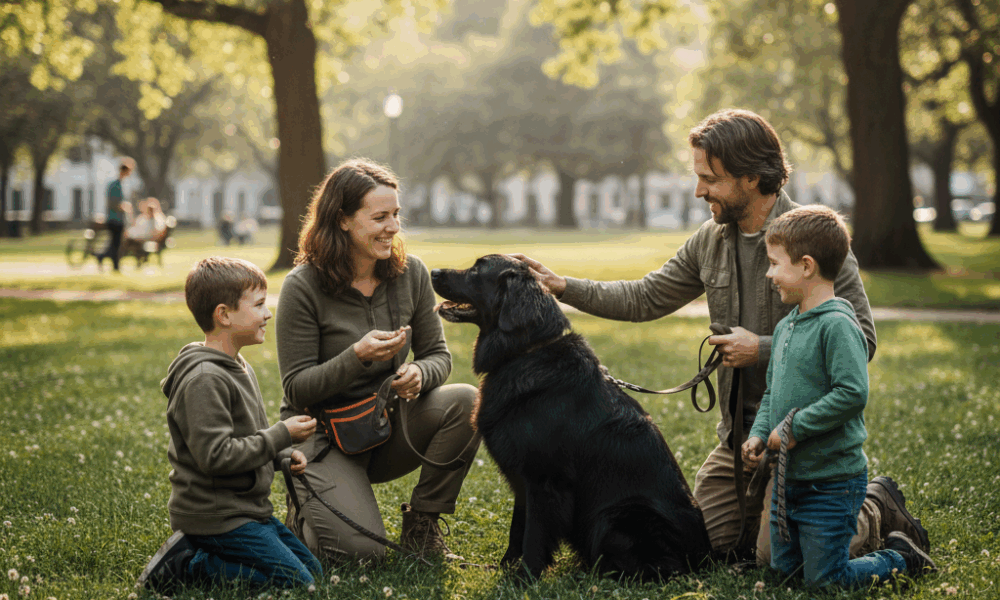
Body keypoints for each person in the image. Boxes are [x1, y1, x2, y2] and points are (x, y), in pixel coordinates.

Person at [512, 109, 929, 566]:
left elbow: (862, 339)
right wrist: (564, 287)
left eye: (710, 179)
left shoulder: (815, 238)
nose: (698, 191)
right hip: (739, 442)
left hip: (800, 443)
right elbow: (645, 296)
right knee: (700, 546)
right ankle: (766, 512)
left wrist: (762, 349)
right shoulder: (709, 239)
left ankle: (874, 508)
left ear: (751, 177)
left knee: (781, 559)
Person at [276, 158, 480, 564]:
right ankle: (303, 513)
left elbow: (438, 356)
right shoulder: (303, 286)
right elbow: (297, 389)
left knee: (467, 401)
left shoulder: (411, 273)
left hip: (386, 425)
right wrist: (356, 357)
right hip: (323, 438)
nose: (393, 227)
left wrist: (419, 372)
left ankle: (423, 525)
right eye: (380, 217)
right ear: (343, 219)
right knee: (362, 554)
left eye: (396, 215)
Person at [742, 205, 935, 588]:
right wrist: (759, 434)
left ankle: (900, 557)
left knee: (826, 580)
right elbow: (772, 392)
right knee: (785, 573)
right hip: (787, 481)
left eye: (775, 263)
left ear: (806, 266)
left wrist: (794, 428)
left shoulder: (838, 325)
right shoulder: (786, 328)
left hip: (830, 482)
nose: (769, 274)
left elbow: (852, 393)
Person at [138, 257, 323, 593]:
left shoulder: (238, 366)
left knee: (314, 572)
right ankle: (189, 565)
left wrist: (281, 457)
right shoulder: (205, 379)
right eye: (259, 305)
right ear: (223, 315)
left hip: (248, 510)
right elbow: (216, 456)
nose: (268, 313)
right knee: (298, 584)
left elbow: (248, 439)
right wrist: (282, 434)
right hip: (216, 516)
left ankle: (207, 557)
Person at [97, 158, 135, 272]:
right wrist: (125, 207)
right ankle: (112, 263)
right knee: (115, 244)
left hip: (120, 219)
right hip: (115, 219)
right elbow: (113, 203)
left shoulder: (122, 185)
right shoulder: (115, 185)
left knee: (115, 244)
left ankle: (108, 260)